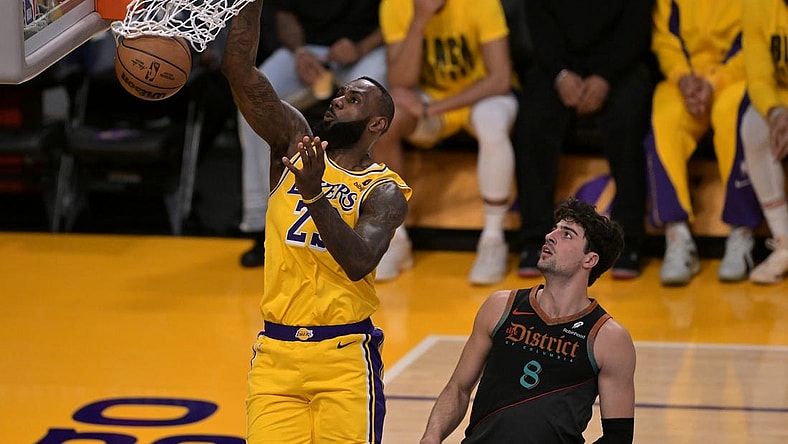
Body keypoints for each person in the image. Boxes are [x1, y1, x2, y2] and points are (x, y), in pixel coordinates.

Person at [221, 0, 411, 441]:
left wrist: (313, 194)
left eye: (354, 99)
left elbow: (360, 260)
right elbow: (241, 73)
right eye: (341, 94)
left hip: (344, 357)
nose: (338, 100)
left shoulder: (384, 190)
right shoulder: (292, 140)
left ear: (377, 124)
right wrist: (251, 4)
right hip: (276, 355)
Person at [420, 197, 636, 444]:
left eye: (567, 234)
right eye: (554, 228)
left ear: (590, 259)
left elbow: (618, 437)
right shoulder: (501, 306)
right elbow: (458, 389)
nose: (550, 236)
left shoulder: (608, 337)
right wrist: (432, 436)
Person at [374, 0, 519, 285]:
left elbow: (500, 79)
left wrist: (433, 110)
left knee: (491, 123)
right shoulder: (394, 5)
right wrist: (419, 21)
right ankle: (396, 237)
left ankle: (493, 240)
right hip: (430, 99)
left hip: (482, 96)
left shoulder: (480, 3)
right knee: (384, 122)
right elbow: (400, 81)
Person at [236, 0, 388, 267]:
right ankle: (263, 222)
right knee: (253, 101)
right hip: (311, 50)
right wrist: (300, 52)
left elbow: (400, 18)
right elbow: (285, 14)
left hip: (368, 50)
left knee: (376, 103)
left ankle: (365, 223)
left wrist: (361, 47)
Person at [514, 0, 654, 280]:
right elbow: (539, 26)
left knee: (630, 117)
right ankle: (534, 238)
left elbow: (636, 28)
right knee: (532, 120)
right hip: (557, 67)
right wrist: (560, 75)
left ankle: (629, 242)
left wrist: (605, 77)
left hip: (618, 68)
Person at [646, 0, 763, 286]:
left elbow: (756, 39)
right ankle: (678, 236)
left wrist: (714, 82)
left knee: (731, 117)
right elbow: (665, 38)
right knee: (664, 119)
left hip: (737, 76)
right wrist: (683, 78)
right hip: (686, 80)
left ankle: (742, 232)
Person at [740, 0, 788, 285]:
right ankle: (784, 240)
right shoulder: (757, 4)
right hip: (780, 100)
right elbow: (758, 75)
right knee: (754, 128)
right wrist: (776, 112)